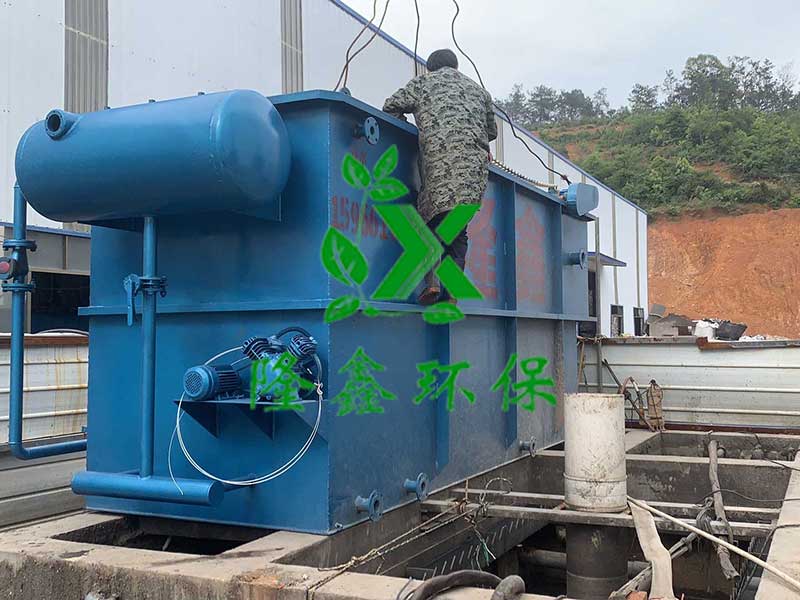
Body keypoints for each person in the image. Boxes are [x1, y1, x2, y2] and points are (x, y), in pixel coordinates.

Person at [383, 48, 497, 305]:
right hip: (473, 176)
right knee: (457, 232)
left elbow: (391, 106)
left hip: (439, 171)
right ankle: (453, 290)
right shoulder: (479, 91)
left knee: (429, 225)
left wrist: (409, 127)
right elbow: (491, 131)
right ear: (456, 66)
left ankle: (433, 284)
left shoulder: (422, 83)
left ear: (430, 67)